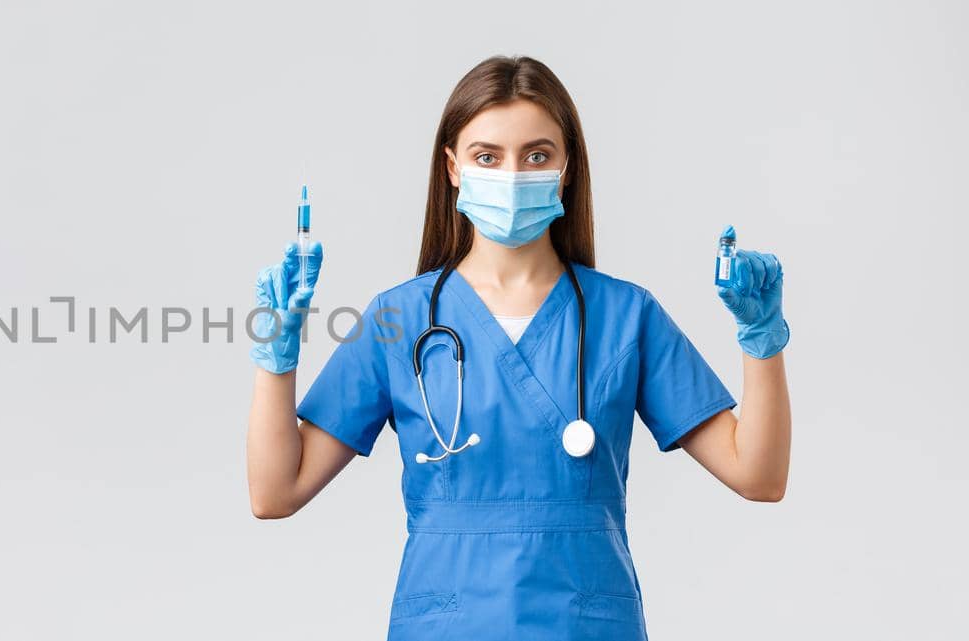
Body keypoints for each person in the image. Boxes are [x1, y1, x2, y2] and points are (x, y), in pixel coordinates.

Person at [245, 56, 792, 640]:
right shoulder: (400, 318)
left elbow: (758, 476)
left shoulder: (625, 316)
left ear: (566, 167)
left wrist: (761, 340)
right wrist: (277, 357)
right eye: (487, 156)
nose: (512, 175)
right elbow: (276, 492)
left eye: (536, 155)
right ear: (452, 167)